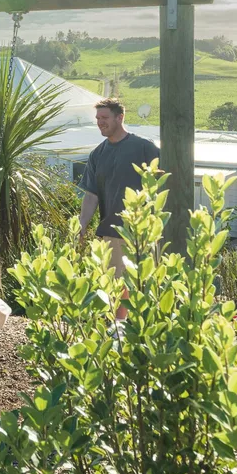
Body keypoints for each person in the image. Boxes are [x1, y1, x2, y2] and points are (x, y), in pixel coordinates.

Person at [79, 99, 160, 317]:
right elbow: (90, 195)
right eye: (97, 119)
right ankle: (120, 332)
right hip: (111, 232)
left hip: (141, 232)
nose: (100, 123)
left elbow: (162, 185)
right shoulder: (97, 154)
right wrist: (82, 224)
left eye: (104, 118)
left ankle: (140, 331)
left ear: (120, 117)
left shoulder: (144, 147)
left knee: (142, 285)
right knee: (116, 287)